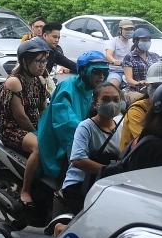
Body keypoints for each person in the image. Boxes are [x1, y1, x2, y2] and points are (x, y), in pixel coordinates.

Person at [37, 50, 109, 179]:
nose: (101, 77)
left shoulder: (93, 89)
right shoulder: (67, 88)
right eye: (97, 72)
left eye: (105, 73)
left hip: (77, 136)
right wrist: (88, 134)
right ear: (84, 71)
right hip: (58, 139)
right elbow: (65, 122)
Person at [0, 39, 49, 205]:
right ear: (25, 62)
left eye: (44, 61)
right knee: (39, 148)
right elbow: (20, 117)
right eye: (38, 61)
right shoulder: (14, 82)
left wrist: (46, 128)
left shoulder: (39, 81)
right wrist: (37, 132)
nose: (42, 65)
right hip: (13, 129)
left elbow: (43, 109)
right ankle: (25, 190)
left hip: (32, 127)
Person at [61, 82, 123, 214]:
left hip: (106, 185)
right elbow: (77, 160)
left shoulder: (122, 124)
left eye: (116, 100)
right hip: (79, 186)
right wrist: (108, 171)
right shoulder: (86, 127)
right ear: (95, 104)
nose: (111, 104)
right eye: (105, 100)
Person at [122, 27, 160, 103]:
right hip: (134, 90)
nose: (147, 42)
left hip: (153, 89)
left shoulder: (155, 56)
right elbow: (129, 79)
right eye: (144, 40)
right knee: (144, 101)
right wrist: (139, 83)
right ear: (136, 42)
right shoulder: (129, 57)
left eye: (148, 40)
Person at [105, 19, 135, 87]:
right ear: (120, 30)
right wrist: (114, 60)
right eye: (126, 29)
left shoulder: (133, 43)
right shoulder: (113, 41)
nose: (129, 31)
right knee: (113, 85)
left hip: (130, 72)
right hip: (116, 71)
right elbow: (108, 54)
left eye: (131, 29)